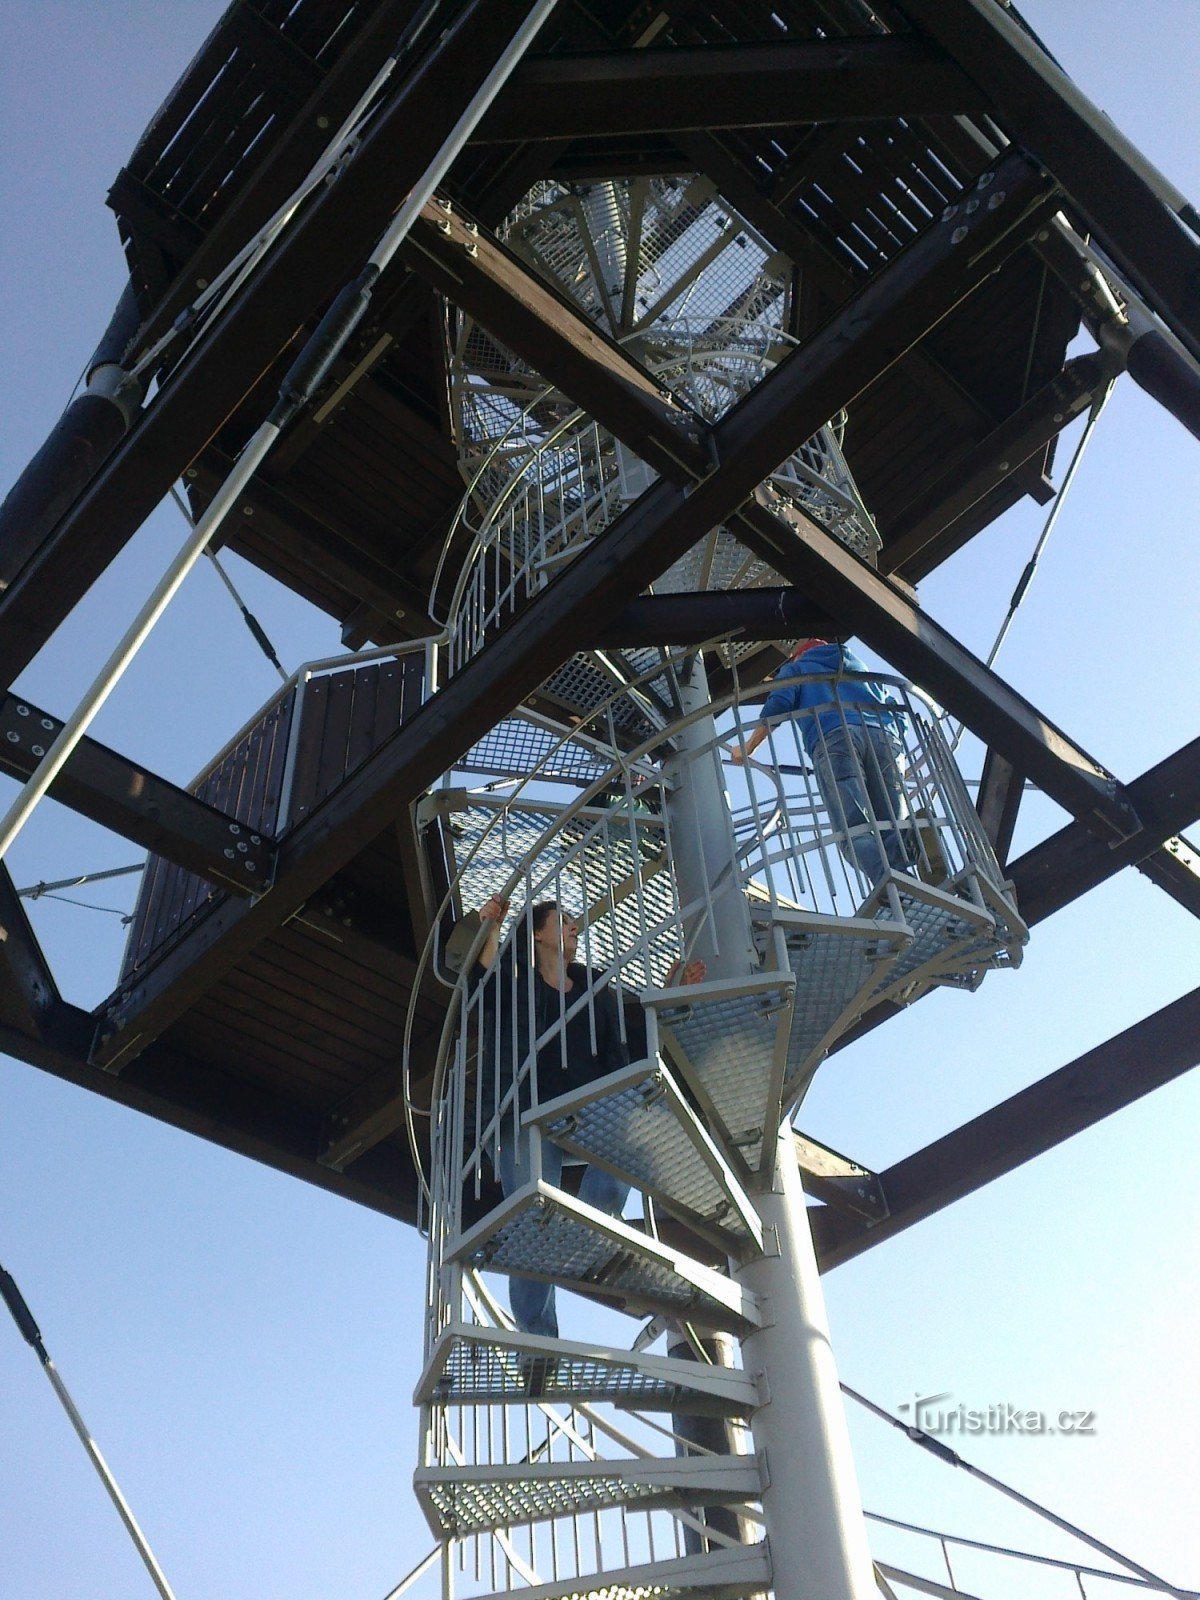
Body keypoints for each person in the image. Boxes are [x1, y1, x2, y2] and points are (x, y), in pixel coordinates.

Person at [730, 637, 910, 886]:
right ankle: (912, 866)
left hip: (834, 736)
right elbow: (894, 709)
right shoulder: (858, 666)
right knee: (892, 823)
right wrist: (897, 752)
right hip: (884, 736)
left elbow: (780, 703)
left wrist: (749, 746)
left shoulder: (796, 668)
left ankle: (892, 884)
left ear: (798, 655)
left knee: (854, 829)